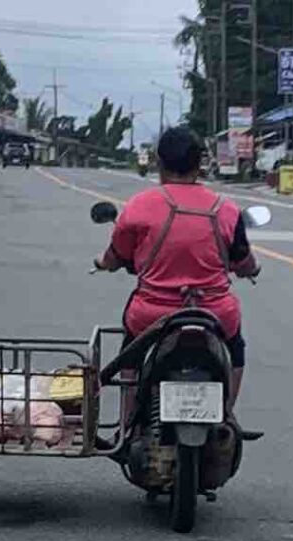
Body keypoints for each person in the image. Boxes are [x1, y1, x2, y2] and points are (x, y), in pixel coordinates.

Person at [93, 126, 260, 427]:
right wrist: (252, 269)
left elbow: (116, 255)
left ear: (159, 163)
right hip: (214, 313)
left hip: (152, 314)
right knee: (236, 349)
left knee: (130, 351)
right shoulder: (226, 209)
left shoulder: (139, 205)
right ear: (200, 164)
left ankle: (128, 420)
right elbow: (243, 260)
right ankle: (227, 415)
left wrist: (103, 263)